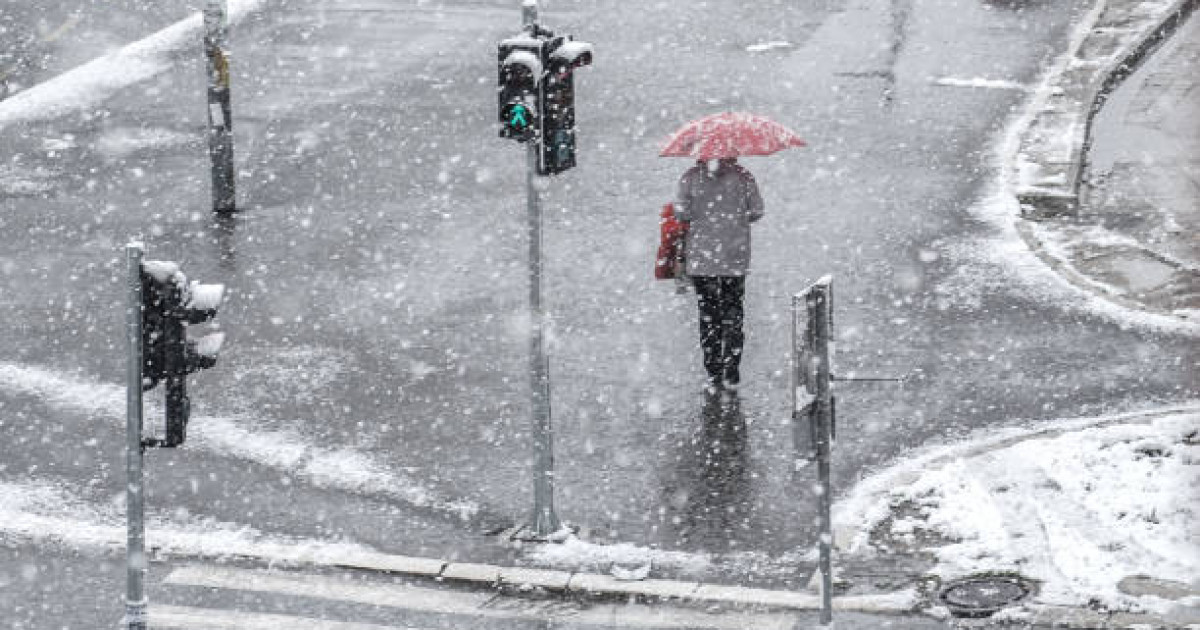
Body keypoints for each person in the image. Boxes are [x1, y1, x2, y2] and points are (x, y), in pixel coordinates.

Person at [675, 157, 764, 391]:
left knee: (708, 316)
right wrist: (735, 215)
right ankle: (731, 372)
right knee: (734, 314)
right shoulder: (744, 176)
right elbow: (757, 211)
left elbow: (681, 212)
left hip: (702, 261)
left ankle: (713, 372)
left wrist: (700, 212)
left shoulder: (691, 176)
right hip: (734, 259)